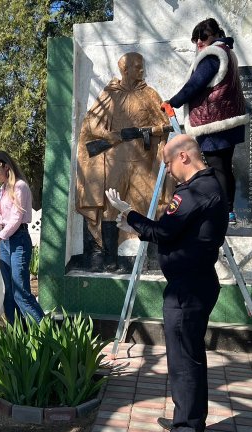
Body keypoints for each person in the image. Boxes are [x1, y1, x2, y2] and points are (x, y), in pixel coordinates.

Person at [106, 135, 228, 432]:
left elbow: (164, 231)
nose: (168, 170)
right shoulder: (207, 187)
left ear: (184, 157)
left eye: (168, 162)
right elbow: (174, 236)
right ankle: (188, 421)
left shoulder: (197, 190)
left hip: (187, 291)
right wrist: (134, 223)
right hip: (193, 285)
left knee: (183, 362)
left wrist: (131, 214)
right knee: (189, 358)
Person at [76, 51, 173, 272]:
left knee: (151, 204)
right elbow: (91, 125)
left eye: (142, 66)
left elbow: (165, 124)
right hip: (114, 161)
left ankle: (153, 258)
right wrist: (115, 135)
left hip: (142, 162)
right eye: (137, 67)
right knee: (111, 207)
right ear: (125, 70)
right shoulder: (110, 95)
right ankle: (110, 260)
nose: (141, 70)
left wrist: (147, 131)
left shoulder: (149, 94)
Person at [162, 18, 248, 224]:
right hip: (227, 120)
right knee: (224, 167)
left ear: (216, 35)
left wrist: (172, 102)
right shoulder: (228, 52)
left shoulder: (213, 55)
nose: (198, 41)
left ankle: (222, 212)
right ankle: (228, 210)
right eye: (195, 37)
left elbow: (195, 84)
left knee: (217, 167)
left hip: (214, 122)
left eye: (203, 36)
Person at [0, 151, 44, 325]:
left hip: (19, 242)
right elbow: (0, 220)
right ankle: (18, 334)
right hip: (6, 244)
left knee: (20, 292)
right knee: (8, 292)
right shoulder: (2, 190)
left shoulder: (20, 187)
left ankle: (45, 333)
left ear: (6, 167)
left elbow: (16, 219)